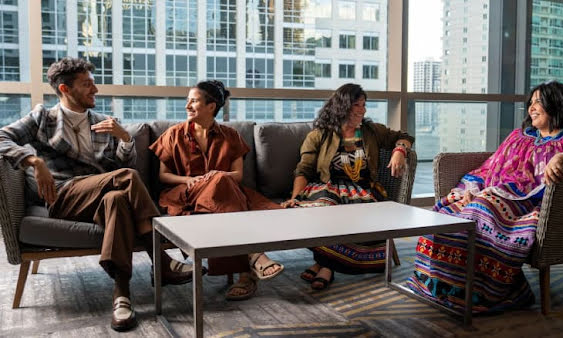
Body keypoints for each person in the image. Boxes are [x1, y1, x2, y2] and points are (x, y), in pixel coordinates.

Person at [0, 57, 194, 332]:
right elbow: (2, 137)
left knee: (117, 199)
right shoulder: (43, 118)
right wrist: (34, 161)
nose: (95, 90)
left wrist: (125, 139)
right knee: (126, 180)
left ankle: (121, 296)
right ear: (65, 89)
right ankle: (161, 260)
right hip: (64, 196)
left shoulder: (104, 123)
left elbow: (125, 170)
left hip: (102, 197)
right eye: (87, 84)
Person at [407, 81, 563, 312]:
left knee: (482, 211)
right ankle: (441, 285)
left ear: (556, 105)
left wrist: (561, 158)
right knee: (448, 212)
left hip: (529, 203)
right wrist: (470, 190)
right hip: (493, 193)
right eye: (531, 102)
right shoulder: (518, 136)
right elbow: (491, 167)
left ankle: (482, 293)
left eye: (539, 101)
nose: (532, 107)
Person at [149, 80, 284, 301]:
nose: (187, 106)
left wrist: (214, 177)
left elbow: (237, 175)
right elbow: (163, 176)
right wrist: (191, 179)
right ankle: (250, 263)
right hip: (186, 193)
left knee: (221, 181)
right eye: (187, 101)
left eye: (193, 101)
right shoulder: (173, 134)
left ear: (211, 106)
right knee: (221, 182)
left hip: (222, 193)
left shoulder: (231, 136)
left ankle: (246, 265)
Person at [281, 83, 415, 290]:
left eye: (364, 105)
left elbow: (404, 136)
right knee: (322, 209)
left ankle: (324, 265)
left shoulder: (371, 131)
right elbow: (303, 170)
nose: (362, 110)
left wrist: (400, 150)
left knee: (361, 211)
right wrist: (295, 197)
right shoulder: (319, 135)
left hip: (361, 190)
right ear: (342, 106)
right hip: (327, 188)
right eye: (357, 105)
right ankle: (327, 265)